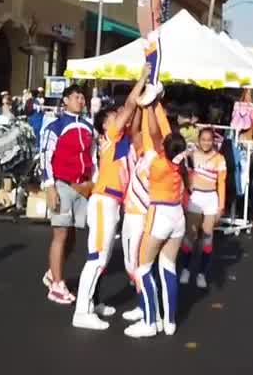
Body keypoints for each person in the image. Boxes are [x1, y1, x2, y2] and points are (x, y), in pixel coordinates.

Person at [72, 71, 147, 330]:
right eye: (114, 116)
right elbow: (129, 106)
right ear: (106, 124)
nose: (119, 117)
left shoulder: (120, 140)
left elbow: (134, 116)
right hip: (104, 201)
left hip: (112, 204)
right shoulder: (111, 135)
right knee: (98, 258)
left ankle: (91, 304)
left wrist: (145, 99)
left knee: (100, 259)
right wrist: (143, 78)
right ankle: (82, 311)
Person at [125, 102, 188, 338]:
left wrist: (149, 107)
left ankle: (151, 321)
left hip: (159, 215)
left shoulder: (157, 162)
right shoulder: (181, 164)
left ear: (166, 146)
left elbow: (153, 133)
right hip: (177, 217)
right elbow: (164, 132)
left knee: (143, 268)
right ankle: (169, 321)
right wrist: (156, 105)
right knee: (168, 267)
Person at [40, 85, 94, 305]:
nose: (80, 101)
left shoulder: (89, 127)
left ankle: (53, 272)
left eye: (83, 97)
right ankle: (56, 286)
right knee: (60, 234)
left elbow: (94, 156)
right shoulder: (56, 125)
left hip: (82, 187)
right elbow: (45, 155)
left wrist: (93, 182)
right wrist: (50, 186)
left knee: (72, 235)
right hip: (62, 184)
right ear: (65, 100)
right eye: (76, 97)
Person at [181, 126, 227, 289]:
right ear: (198, 140)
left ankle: (201, 273)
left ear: (213, 141)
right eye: (203, 139)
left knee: (208, 238)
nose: (206, 142)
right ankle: (185, 269)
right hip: (195, 198)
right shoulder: (191, 155)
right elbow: (184, 176)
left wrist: (221, 206)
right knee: (190, 236)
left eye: (209, 140)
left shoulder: (220, 159)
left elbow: (221, 183)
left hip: (211, 198)